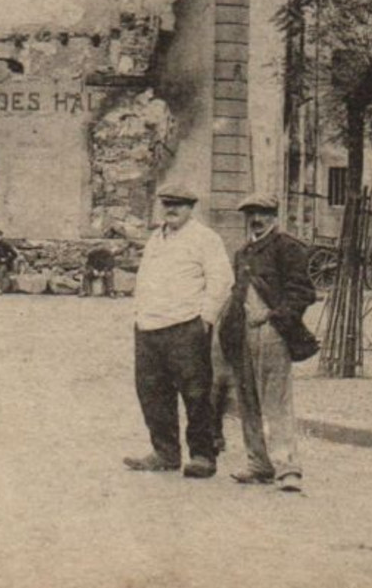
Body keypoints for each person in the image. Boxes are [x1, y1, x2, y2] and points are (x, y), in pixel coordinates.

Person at [124, 185, 232, 479]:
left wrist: (206, 318)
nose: (171, 210)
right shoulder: (156, 238)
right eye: (167, 204)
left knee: (196, 393)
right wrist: (139, 315)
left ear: (191, 208)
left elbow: (222, 280)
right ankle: (165, 452)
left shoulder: (205, 239)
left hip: (186, 327)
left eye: (178, 205)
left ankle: (202, 455)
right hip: (149, 327)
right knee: (152, 392)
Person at [218, 194, 314, 492]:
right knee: (248, 401)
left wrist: (272, 316)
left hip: (273, 333)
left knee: (276, 402)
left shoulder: (288, 248)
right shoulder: (243, 252)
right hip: (242, 334)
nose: (256, 219)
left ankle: (288, 469)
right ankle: (259, 463)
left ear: (275, 216)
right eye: (251, 214)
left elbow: (302, 293)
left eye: (263, 213)